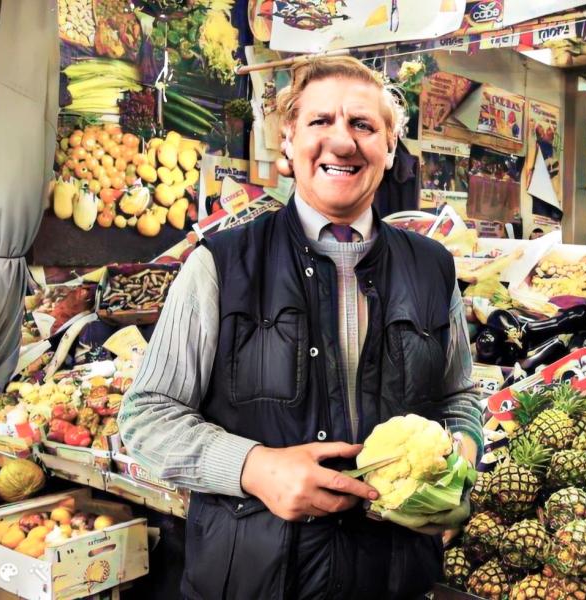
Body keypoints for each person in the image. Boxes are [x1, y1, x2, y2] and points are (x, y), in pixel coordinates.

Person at [118, 56, 483, 599]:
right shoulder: (221, 263)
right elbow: (146, 416)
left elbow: (459, 395)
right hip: (253, 580)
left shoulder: (432, 267)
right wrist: (253, 467)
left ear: (389, 147)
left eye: (363, 125)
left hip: (396, 578)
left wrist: (460, 458)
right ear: (287, 143)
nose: (342, 142)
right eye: (320, 123)